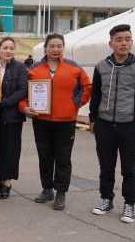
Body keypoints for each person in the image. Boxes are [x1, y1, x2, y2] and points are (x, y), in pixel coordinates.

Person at [89, 24, 135, 223]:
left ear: (132, 42)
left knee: (130, 168)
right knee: (106, 166)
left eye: (127, 39)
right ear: (111, 43)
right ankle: (107, 200)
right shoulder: (101, 66)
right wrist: (93, 119)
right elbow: (96, 94)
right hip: (105, 125)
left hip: (130, 125)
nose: (123, 43)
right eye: (119, 39)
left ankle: (129, 204)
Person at [20, 34, 92, 210]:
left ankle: (61, 193)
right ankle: (47, 189)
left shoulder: (73, 67)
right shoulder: (34, 69)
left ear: (63, 47)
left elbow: (87, 87)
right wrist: (24, 107)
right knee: (44, 157)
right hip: (41, 120)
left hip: (66, 121)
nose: (55, 49)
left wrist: (75, 103)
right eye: (51, 46)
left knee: (62, 158)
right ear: (45, 47)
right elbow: (23, 92)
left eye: (59, 46)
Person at [0, 37, 28, 199]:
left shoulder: (19, 67)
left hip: (11, 115)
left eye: (11, 48)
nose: (8, 51)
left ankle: (7, 184)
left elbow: (23, 90)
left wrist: (4, 103)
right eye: (5, 48)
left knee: (10, 150)